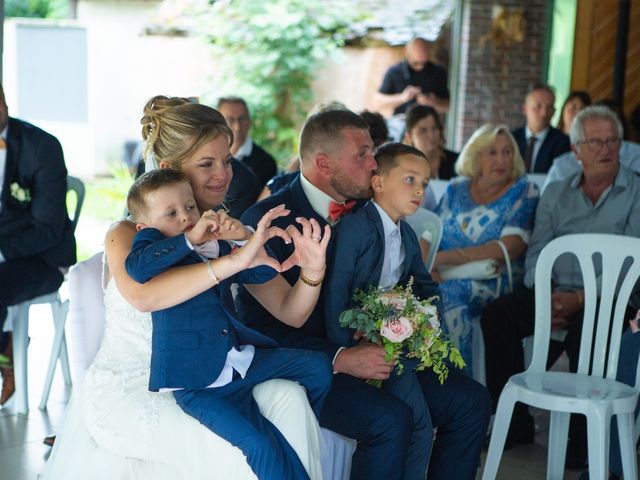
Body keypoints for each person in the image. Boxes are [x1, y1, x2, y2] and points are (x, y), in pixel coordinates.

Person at [42, 96, 332, 480]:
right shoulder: (128, 235)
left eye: (226, 161)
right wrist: (230, 258)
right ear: (168, 170)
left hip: (211, 375)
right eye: (206, 164)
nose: (223, 175)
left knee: (293, 399)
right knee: (234, 449)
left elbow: (291, 311)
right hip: (135, 388)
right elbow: (144, 297)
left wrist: (313, 271)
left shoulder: (226, 233)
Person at [237, 109, 491, 480]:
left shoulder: (373, 211)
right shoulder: (268, 221)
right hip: (307, 367)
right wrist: (340, 357)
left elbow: (405, 281)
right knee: (390, 420)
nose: (375, 164)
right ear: (324, 163)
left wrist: (404, 324)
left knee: (471, 402)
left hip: (379, 354)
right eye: (363, 154)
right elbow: (260, 327)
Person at [124, 167, 331, 479]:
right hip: (197, 383)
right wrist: (189, 241)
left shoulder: (214, 245)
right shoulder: (150, 251)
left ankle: (294, 431)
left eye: (190, 207)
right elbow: (138, 268)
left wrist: (247, 241)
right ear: (145, 226)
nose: (185, 218)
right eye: (171, 213)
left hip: (238, 359)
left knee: (317, 368)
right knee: (260, 445)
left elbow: (257, 273)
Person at [481, 105, 640, 468]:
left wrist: (581, 299)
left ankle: (584, 437)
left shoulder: (636, 192)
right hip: (553, 292)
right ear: (576, 150)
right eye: (596, 141)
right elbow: (538, 252)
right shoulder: (555, 192)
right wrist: (547, 297)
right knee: (498, 316)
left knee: (588, 332)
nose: (606, 149)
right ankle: (517, 422)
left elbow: (633, 260)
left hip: (612, 299)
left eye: (613, 140)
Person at [324, 142, 440, 480]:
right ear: (378, 183)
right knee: (419, 425)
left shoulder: (406, 233)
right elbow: (336, 293)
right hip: (364, 346)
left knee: (426, 417)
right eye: (409, 179)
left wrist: (426, 322)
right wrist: (346, 350)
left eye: (425, 183)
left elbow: (425, 287)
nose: (419, 190)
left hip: (400, 341)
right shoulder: (356, 227)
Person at [430, 124, 539, 377]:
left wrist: (444, 259)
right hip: (443, 273)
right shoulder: (455, 189)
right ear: (475, 156)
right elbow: (430, 233)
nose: (501, 159)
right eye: (492, 152)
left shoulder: (523, 190)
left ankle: (459, 390)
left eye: (507, 152)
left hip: (496, 278)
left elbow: (510, 248)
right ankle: (423, 388)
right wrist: (427, 266)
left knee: (447, 297)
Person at [0, 84, 76, 405]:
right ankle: (6, 346)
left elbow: (46, 229)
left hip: (42, 258)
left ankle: (6, 355)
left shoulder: (41, 147)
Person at [375, 37, 450, 115]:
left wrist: (434, 102)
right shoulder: (394, 72)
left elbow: (449, 105)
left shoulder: (438, 72)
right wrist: (402, 98)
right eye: (417, 50)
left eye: (424, 49)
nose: (422, 53)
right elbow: (378, 102)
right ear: (407, 51)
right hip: (402, 120)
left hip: (429, 120)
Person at [218, 96, 278, 188]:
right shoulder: (209, 157)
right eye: (230, 120)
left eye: (242, 119)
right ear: (217, 123)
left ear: (250, 121)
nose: (237, 127)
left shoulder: (265, 162)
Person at [511, 84, 571, 173]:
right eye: (538, 106)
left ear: (554, 111)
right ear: (525, 109)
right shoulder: (511, 139)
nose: (544, 113)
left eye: (549, 107)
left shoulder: (563, 142)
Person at [404, 104, 458, 180]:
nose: (431, 135)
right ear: (409, 136)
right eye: (423, 130)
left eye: (435, 128)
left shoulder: (457, 163)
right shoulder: (402, 168)